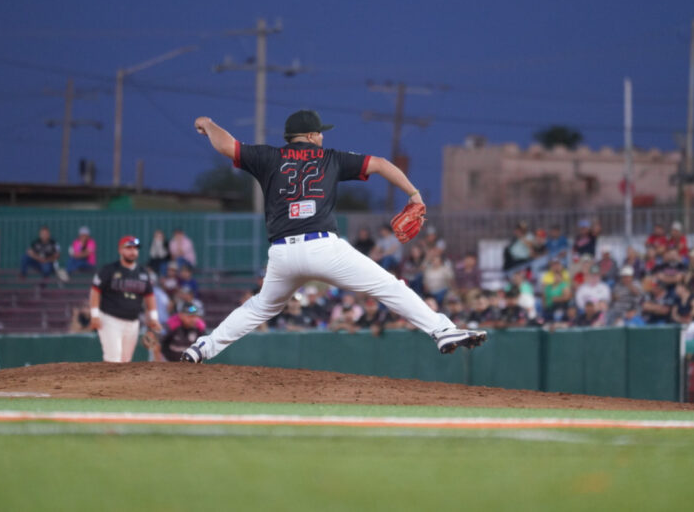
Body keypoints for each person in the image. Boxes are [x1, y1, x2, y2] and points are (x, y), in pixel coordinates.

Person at [181, 110, 487, 363]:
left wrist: (208, 124)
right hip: (323, 248)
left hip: (283, 254)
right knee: (389, 287)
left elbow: (227, 146)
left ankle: (202, 348)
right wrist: (414, 194)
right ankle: (442, 330)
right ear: (312, 136)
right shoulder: (331, 158)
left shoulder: (268, 157)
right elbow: (380, 164)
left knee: (260, 307)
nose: (323, 136)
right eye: (320, 132)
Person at [90, 236, 162, 363]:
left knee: (125, 360)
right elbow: (95, 291)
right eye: (128, 247)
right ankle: (108, 383)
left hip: (133, 322)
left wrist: (154, 318)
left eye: (135, 248)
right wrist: (95, 315)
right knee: (113, 358)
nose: (132, 251)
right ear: (120, 250)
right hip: (110, 319)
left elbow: (149, 296)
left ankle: (117, 383)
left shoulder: (143, 273)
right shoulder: (109, 270)